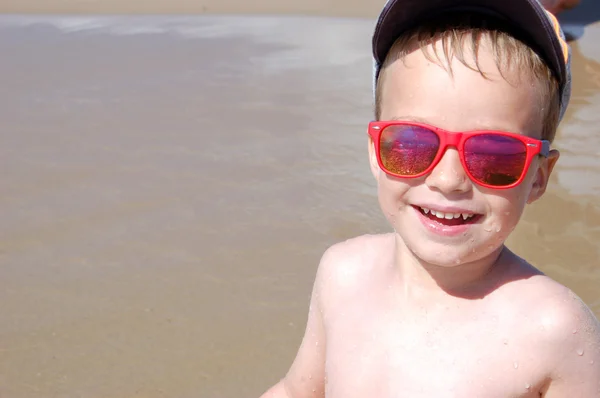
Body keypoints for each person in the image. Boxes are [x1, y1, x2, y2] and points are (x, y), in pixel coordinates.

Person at [260, 0, 600, 396]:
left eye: (494, 154)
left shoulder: (554, 329)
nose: (448, 179)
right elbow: (297, 390)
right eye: (413, 143)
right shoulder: (343, 274)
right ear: (375, 152)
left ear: (539, 177)